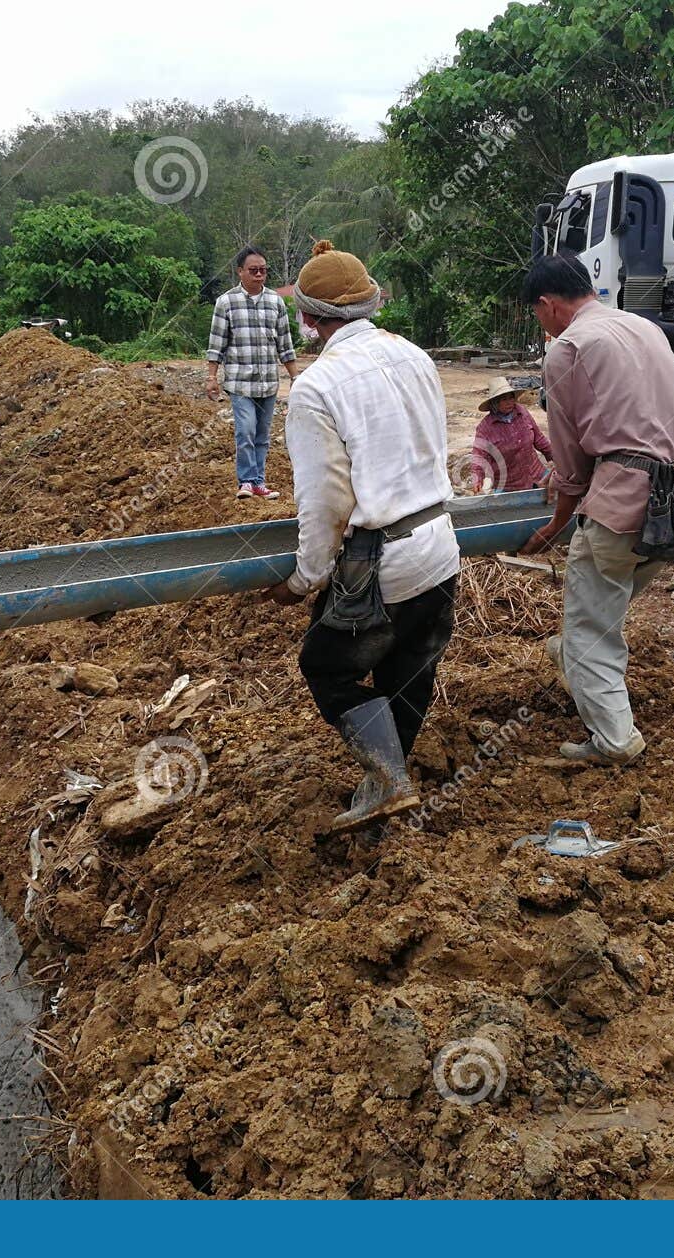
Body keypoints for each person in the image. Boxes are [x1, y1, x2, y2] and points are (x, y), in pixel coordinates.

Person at [264, 240, 459, 837]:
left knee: (325, 668)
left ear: (309, 319)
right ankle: (384, 794)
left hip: (385, 561)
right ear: (370, 303)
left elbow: (324, 502)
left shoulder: (318, 387)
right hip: (440, 547)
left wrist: (304, 579)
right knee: (409, 672)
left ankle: (389, 780)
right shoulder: (414, 355)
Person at [519, 255, 674, 765]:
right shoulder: (643, 326)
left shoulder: (568, 349)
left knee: (587, 629)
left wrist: (556, 525)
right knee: (601, 610)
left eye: (538, 315)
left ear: (548, 305)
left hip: (624, 502)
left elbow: (571, 465)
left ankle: (614, 741)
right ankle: (575, 658)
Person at [206, 246, 299, 500]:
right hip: (239, 382)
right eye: (253, 270)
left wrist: (295, 377)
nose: (259, 275)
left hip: (268, 382)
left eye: (263, 270)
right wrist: (212, 376)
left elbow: (285, 344)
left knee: (262, 434)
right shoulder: (226, 302)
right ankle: (246, 480)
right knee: (245, 430)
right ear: (240, 272)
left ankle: (259, 482)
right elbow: (217, 343)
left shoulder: (275, 302)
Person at [470, 377, 551, 492]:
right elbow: (479, 456)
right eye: (504, 399)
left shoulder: (522, 412)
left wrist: (555, 457)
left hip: (537, 475)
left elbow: (539, 439)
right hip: (509, 485)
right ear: (495, 403)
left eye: (511, 398)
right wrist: (478, 478)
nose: (509, 402)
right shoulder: (485, 428)